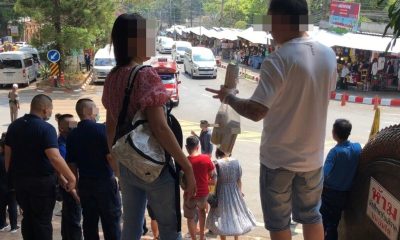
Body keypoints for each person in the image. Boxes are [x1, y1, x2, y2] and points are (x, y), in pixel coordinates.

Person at [206, 1, 337, 240]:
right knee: (312, 216)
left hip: (278, 160)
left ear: (283, 20)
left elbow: (256, 111)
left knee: (278, 223)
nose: (269, 30)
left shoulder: (278, 59)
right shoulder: (329, 55)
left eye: (271, 23)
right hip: (313, 159)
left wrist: (229, 97)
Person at [102, 13, 196, 240]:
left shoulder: (113, 76)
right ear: (134, 41)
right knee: (169, 228)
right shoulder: (145, 75)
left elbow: (111, 123)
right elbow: (161, 129)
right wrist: (187, 166)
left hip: (127, 163)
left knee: (131, 226)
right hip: (154, 166)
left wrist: (116, 160)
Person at [4, 94, 76, 240]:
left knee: (28, 219)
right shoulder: (46, 128)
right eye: (51, 109)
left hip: (21, 183)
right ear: (44, 109)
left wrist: (11, 178)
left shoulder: (14, 126)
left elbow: (8, 157)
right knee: (42, 222)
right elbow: (54, 157)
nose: (51, 113)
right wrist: (71, 177)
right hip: (41, 184)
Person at [66, 99, 121, 240]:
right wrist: (119, 176)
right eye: (95, 108)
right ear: (88, 111)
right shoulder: (102, 130)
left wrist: (76, 184)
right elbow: (110, 157)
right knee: (111, 221)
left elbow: (71, 163)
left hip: (85, 184)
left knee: (89, 222)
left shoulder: (72, 135)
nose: (97, 112)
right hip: (105, 183)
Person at [320, 119, 361, 240]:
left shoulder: (335, 152)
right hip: (345, 195)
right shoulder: (357, 148)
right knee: (334, 224)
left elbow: (324, 175)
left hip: (329, 195)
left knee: (322, 224)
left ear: (334, 133)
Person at [206, 149, 256, 240]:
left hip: (221, 192)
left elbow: (214, 181)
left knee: (222, 216)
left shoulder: (216, 163)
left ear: (218, 152)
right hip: (234, 192)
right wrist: (240, 194)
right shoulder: (236, 162)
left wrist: (211, 194)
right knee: (235, 215)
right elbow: (239, 180)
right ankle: (236, 238)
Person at [55, 113, 83, 240]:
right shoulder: (61, 147)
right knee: (74, 221)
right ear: (61, 128)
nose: (74, 127)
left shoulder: (70, 142)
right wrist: (74, 193)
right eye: (71, 126)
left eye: (75, 124)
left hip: (71, 188)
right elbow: (61, 175)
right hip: (70, 189)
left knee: (68, 219)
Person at [184, 136, 216, 240]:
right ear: (198, 147)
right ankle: (202, 236)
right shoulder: (206, 159)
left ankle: (193, 238)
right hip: (203, 194)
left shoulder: (185, 161)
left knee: (190, 218)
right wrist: (205, 182)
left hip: (189, 194)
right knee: (202, 213)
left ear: (186, 147)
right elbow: (214, 177)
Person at [0, 133, 19, 233]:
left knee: (1, 207)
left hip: (1, 187)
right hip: (11, 187)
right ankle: (14, 226)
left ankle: (2, 224)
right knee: (12, 207)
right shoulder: (11, 159)